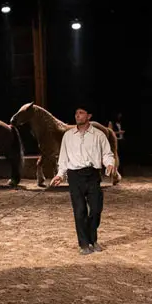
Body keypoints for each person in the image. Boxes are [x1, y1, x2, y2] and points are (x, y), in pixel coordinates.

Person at [50, 107, 117, 255]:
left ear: (89, 116)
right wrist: (60, 175)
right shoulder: (68, 136)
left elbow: (107, 154)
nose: (77, 116)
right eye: (76, 113)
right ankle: (84, 243)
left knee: (96, 209)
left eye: (81, 113)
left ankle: (92, 239)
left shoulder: (99, 135)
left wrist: (109, 164)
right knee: (80, 211)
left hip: (93, 175)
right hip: (75, 176)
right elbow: (63, 158)